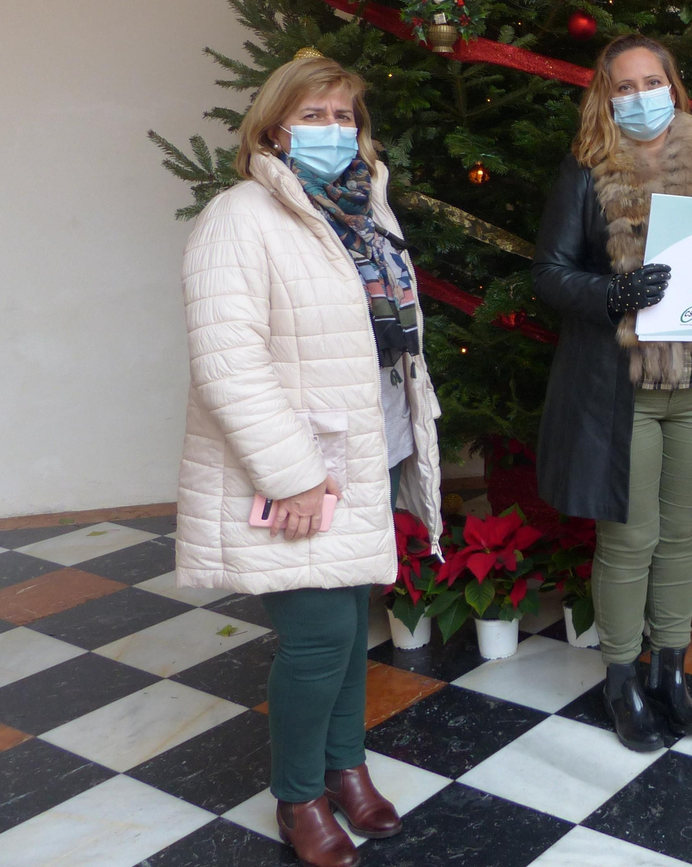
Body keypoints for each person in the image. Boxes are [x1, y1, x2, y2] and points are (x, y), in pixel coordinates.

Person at [176, 52, 444, 867]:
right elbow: (228, 360)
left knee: (347, 624)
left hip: (364, 451)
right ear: (274, 125)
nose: (334, 131)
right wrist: (291, 474)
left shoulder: (363, 212)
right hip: (299, 468)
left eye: (346, 118)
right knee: (321, 637)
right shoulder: (239, 216)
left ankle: (346, 767)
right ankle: (299, 798)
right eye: (315, 116)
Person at [533, 33, 692, 752]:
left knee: (681, 536)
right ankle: (621, 679)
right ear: (606, 97)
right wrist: (615, 294)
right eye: (624, 86)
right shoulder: (586, 170)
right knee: (630, 538)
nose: (640, 97)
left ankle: (670, 671)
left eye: (651, 81)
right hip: (622, 391)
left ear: (676, 85)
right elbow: (548, 273)